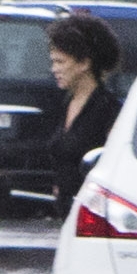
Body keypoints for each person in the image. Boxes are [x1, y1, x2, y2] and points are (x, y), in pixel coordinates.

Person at [45, 10, 122, 195]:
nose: (54, 69)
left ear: (84, 63)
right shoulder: (65, 104)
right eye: (53, 62)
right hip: (65, 215)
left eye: (60, 62)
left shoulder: (110, 111)